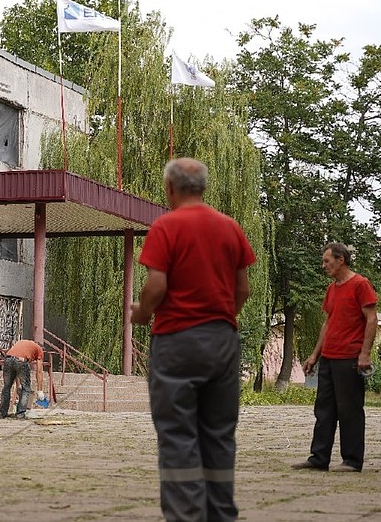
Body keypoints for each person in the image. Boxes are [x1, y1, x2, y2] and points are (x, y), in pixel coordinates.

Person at [131, 157, 256, 522]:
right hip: (221, 340)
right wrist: (219, 318)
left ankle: (186, 516)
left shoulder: (166, 227)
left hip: (176, 341)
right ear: (202, 187)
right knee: (218, 432)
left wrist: (142, 313)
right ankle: (220, 514)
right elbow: (242, 289)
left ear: (170, 188)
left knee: (178, 433)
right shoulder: (230, 228)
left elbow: (156, 285)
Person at [294, 242, 378, 473]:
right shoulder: (332, 288)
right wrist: (314, 355)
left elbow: (371, 319)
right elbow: (328, 323)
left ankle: (352, 460)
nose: (324, 266)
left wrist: (365, 353)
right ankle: (318, 458)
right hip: (329, 358)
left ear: (341, 260)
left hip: (350, 357)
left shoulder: (360, 284)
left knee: (349, 409)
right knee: (324, 410)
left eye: (327, 261)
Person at [0, 338, 43, 419]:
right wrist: (40, 390)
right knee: (26, 389)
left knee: (7, 387)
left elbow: (16, 368)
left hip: (8, 359)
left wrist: (18, 385)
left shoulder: (23, 343)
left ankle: (2, 413)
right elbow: (39, 371)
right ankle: (20, 414)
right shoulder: (39, 350)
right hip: (21, 360)